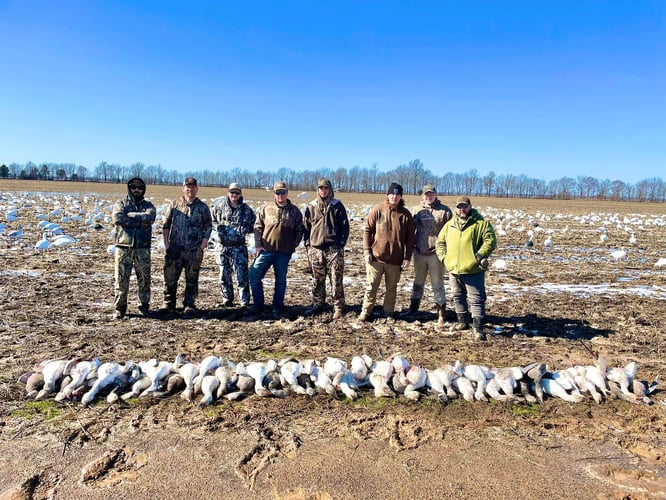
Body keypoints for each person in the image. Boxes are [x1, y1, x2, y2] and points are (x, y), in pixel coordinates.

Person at [436, 195, 497, 340]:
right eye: (459, 207)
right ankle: (463, 322)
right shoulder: (450, 225)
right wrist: (444, 258)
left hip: (473, 269)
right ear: (456, 209)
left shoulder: (481, 223)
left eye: (464, 206)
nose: (462, 209)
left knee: (476, 299)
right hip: (454, 269)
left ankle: (478, 328)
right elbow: (440, 242)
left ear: (470, 207)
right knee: (457, 296)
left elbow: (490, 240)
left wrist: (480, 255)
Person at [359, 182, 415, 322]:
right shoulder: (377, 210)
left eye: (397, 194)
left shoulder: (405, 215)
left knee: (391, 289)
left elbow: (410, 238)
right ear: (387, 195)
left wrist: (407, 257)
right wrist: (367, 251)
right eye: (392, 194)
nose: (394, 197)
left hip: (395, 261)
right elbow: (367, 231)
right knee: (371, 287)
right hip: (376, 259)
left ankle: (388, 313)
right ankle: (366, 312)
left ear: (401, 196)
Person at [249, 181, 303, 319]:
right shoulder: (266, 208)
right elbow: (257, 226)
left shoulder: (295, 211)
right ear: (274, 193)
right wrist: (258, 245)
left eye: (283, 192)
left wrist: (293, 245)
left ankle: (277, 306)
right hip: (266, 250)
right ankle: (258, 305)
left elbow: (299, 230)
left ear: (287, 193)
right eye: (277, 192)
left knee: (280, 281)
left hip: (284, 253)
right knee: (254, 276)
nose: (280, 195)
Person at [160, 177, 212, 315]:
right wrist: (166, 243)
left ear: (197, 189)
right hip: (175, 249)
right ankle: (168, 303)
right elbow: (166, 224)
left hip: (194, 250)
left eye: (193, 187)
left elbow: (208, 227)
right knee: (170, 277)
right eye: (188, 187)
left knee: (192, 278)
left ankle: (190, 304)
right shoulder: (174, 204)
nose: (190, 190)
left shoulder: (203, 207)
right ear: (183, 188)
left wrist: (202, 246)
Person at [403, 184, 452, 325]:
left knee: (437, 284)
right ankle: (413, 309)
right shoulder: (416, 211)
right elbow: (410, 231)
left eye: (431, 194)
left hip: (436, 254)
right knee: (418, 282)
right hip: (419, 252)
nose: (428, 197)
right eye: (425, 194)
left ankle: (441, 313)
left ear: (435, 194)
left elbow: (451, 232)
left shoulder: (445, 211)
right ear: (422, 196)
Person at [303, 178, 350, 319]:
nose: (323, 191)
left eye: (326, 188)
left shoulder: (337, 205)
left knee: (336, 279)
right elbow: (306, 228)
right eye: (321, 188)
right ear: (317, 190)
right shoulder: (311, 207)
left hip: (333, 250)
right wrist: (308, 245)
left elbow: (344, 227)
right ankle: (318, 304)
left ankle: (338, 307)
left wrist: (340, 245)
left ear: (330, 190)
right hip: (316, 249)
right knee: (317, 280)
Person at [111, 177, 157, 319]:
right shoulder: (120, 203)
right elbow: (117, 218)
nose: (136, 190)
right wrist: (139, 222)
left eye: (140, 188)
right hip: (123, 247)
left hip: (142, 248)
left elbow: (150, 217)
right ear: (129, 188)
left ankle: (144, 306)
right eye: (133, 187)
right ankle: (120, 308)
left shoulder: (148, 205)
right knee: (121, 279)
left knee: (144, 278)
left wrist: (130, 217)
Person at [211, 183, 256, 308]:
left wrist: (244, 229)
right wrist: (218, 231)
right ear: (228, 192)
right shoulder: (219, 206)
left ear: (240, 194)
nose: (234, 195)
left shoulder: (246, 210)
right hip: (222, 247)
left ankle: (244, 301)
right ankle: (227, 299)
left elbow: (255, 225)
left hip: (239, 247)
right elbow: (212, 221)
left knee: (241, 275)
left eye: (237, 193)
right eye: (232, 192)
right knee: (224, 274)